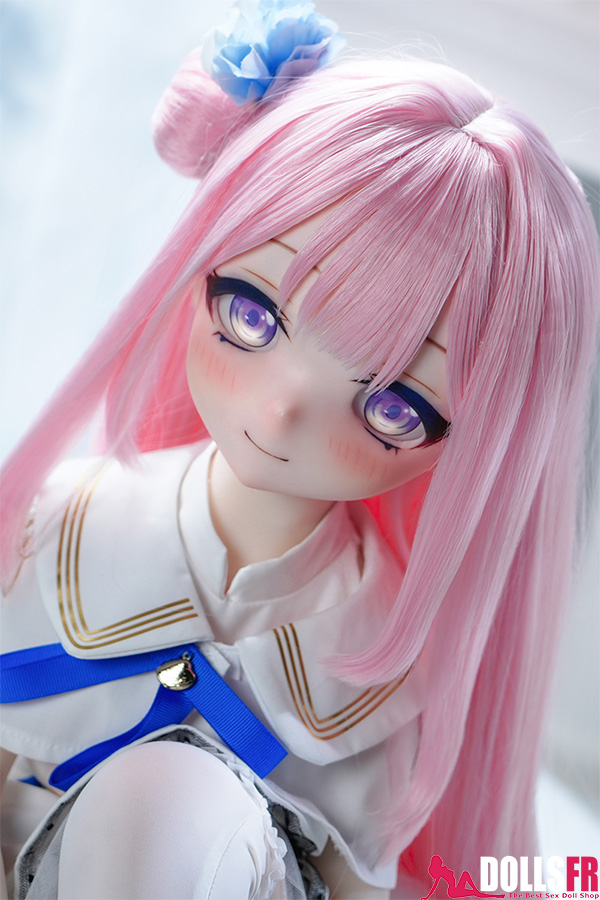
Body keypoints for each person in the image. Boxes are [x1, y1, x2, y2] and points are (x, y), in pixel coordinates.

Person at [1, 1, 598, 897]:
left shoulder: (381, 663)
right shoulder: (61, 531)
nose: (281, 410)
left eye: (394, 405)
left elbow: (361, 878)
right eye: (252, 313)